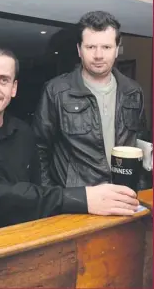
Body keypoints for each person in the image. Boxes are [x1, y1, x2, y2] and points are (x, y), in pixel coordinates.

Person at [0, 47, 139, 237]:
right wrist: (83, 198)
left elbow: (36, 191)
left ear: (14, 88)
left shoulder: (24, 132)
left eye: (3, 80)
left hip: (21, 245)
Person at [33, 11, 148, 190]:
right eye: (91, 47)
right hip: (77, 201)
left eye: (106, 47)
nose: (98, 55)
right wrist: (54, 198)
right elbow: (39, 149)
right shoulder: (56, 90)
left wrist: (140, 188)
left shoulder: (133, 90)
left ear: (117, 49)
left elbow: (139, 143)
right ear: (79, 50)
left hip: (124, 194)